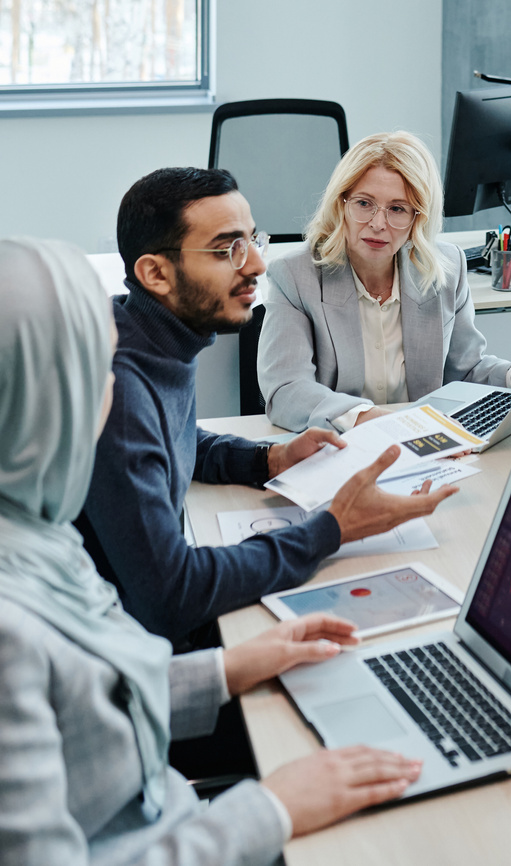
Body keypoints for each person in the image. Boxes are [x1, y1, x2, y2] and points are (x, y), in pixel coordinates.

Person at [0, 236, 423, 862]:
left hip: (174, 811)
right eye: (93, 372)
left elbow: (93, 706)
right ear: (38, 398)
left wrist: (229, 669)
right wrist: (270, 808)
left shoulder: (37, 535)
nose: (112, 396)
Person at [79, 167, 455, 648]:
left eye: (253, 239)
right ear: (155, 273)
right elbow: (171, 593)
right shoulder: (121, 388)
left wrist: (267, 459)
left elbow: (174, 437)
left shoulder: (148, 333)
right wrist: (332, 529)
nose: (256, 264)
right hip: (126, 658)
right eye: (227, 248)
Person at [258, 130, 511, 432]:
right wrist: (367, 418)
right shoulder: (296, 275)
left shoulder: (447, 268)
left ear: (418, 218)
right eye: (364, 203)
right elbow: (287, 390)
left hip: (424, 447)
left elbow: (463, 370)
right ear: (341, 204)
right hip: (339, 446)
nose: (378, 224)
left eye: (397, 209)